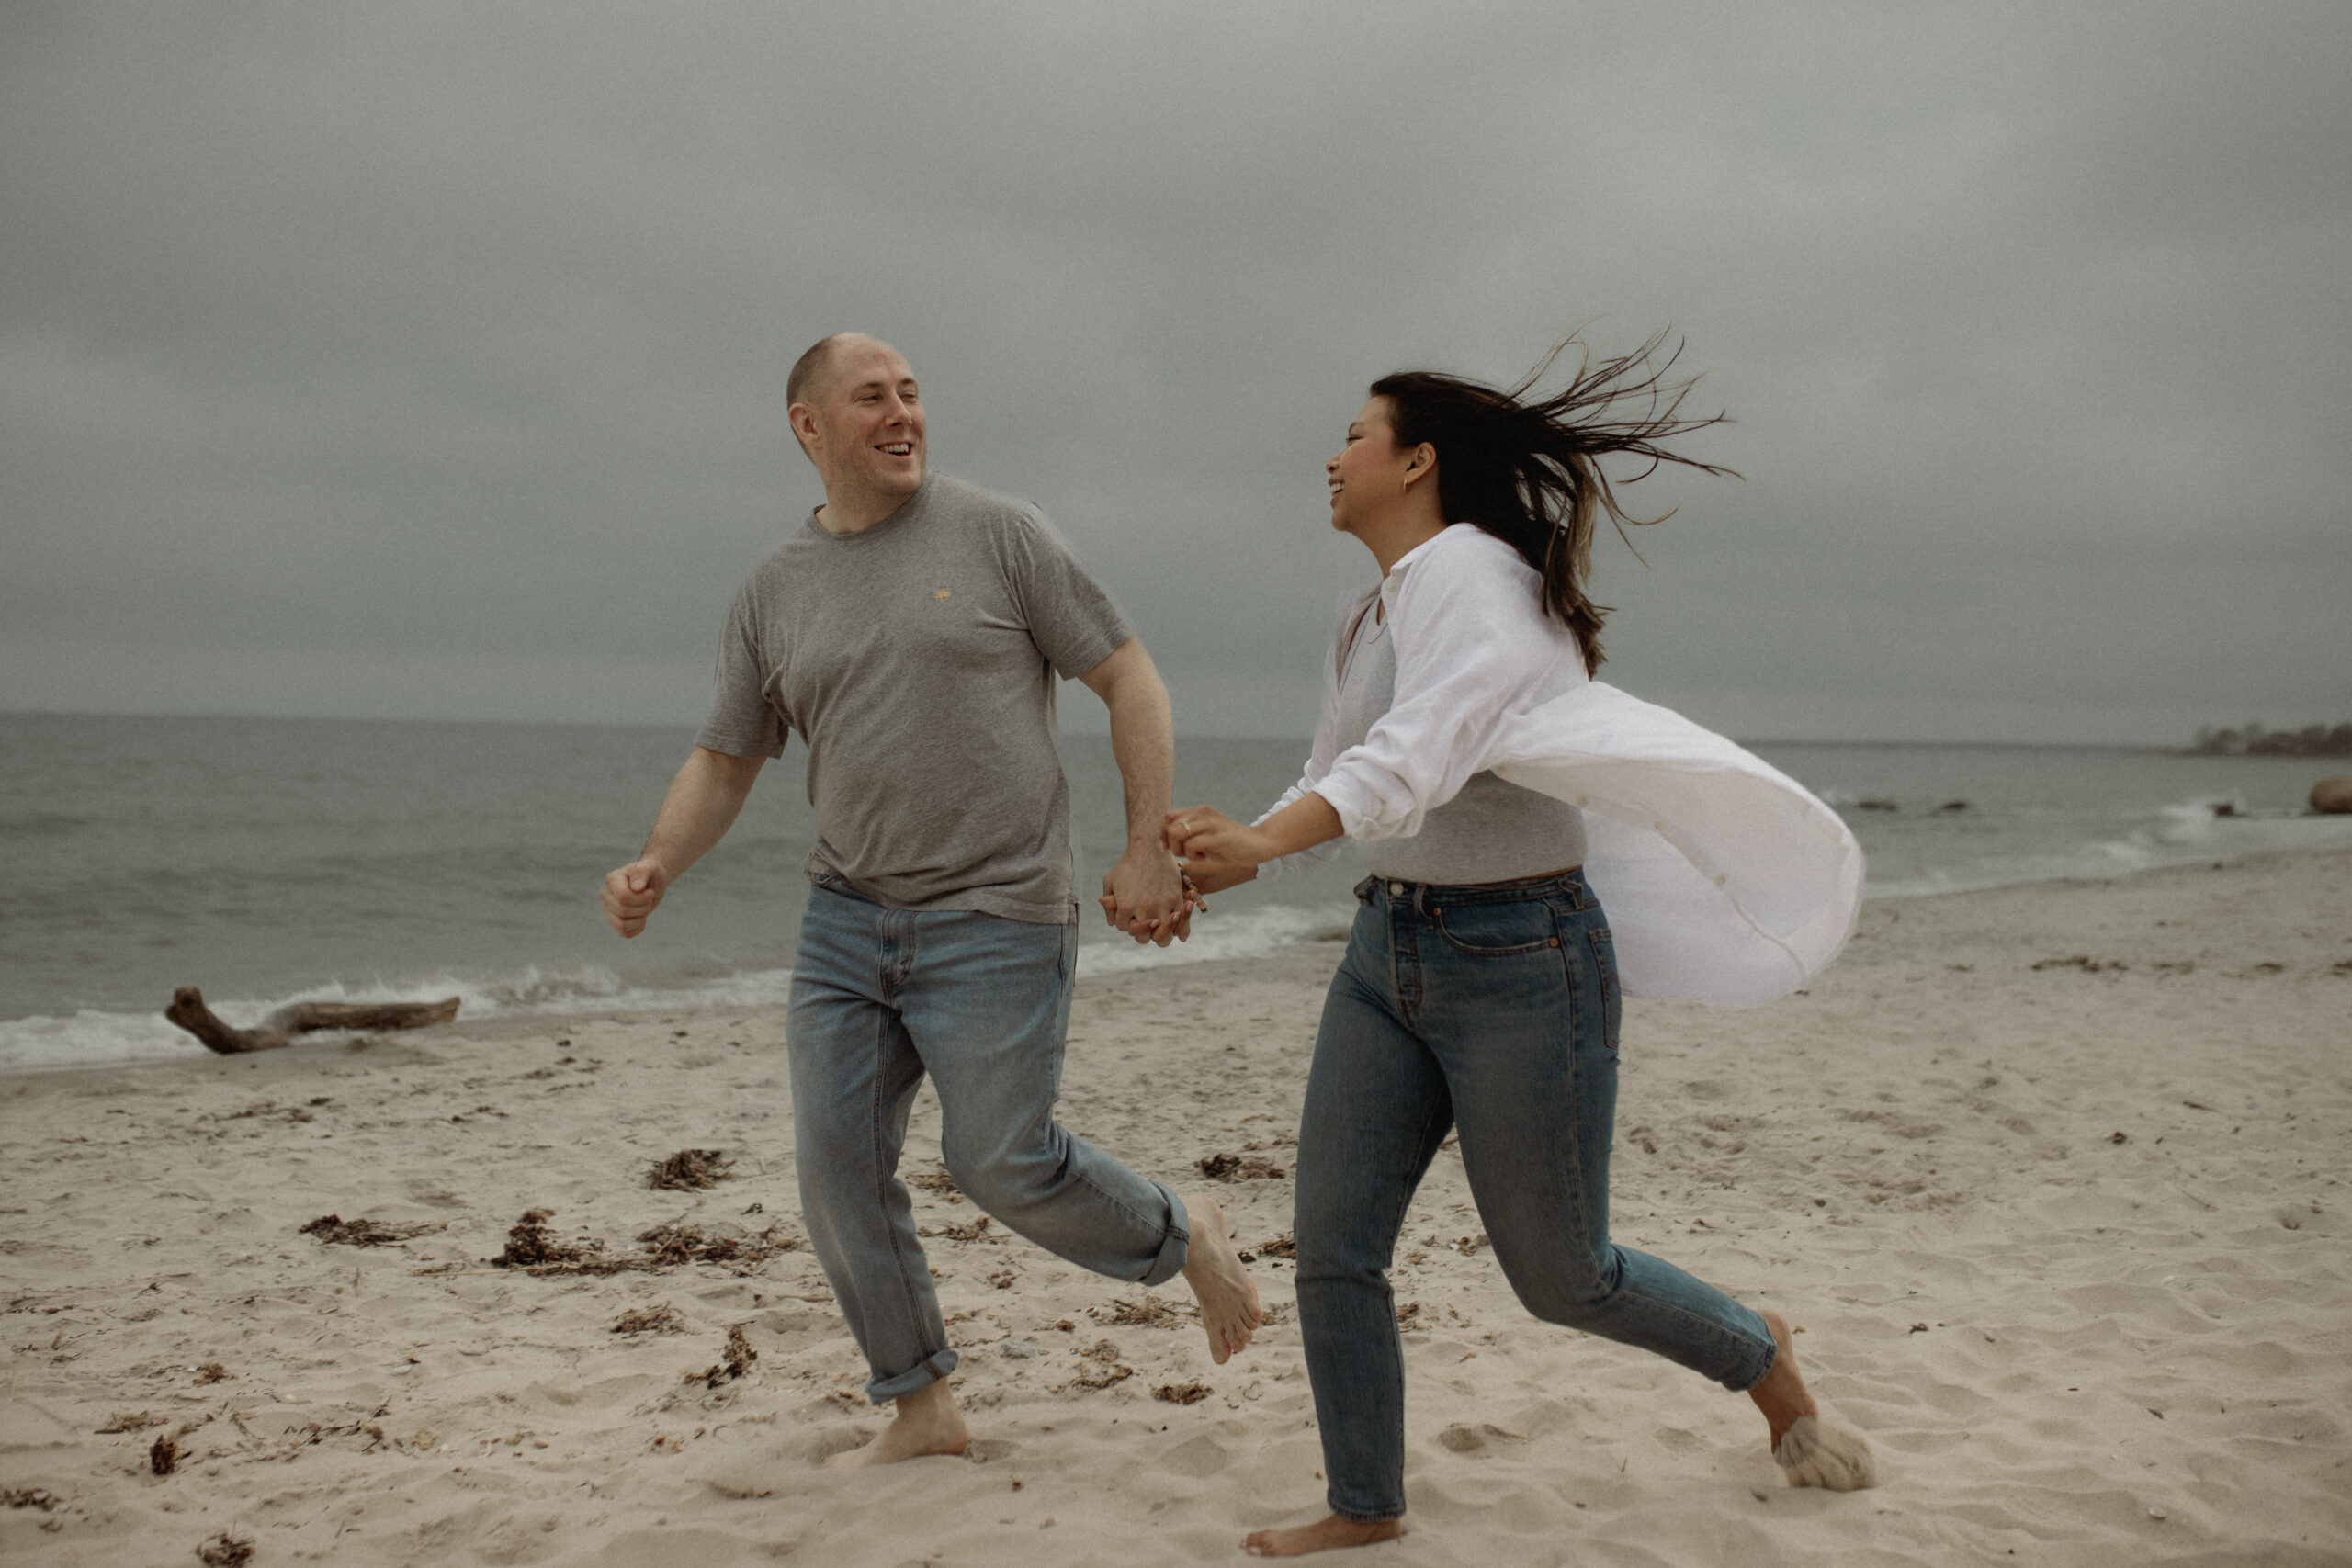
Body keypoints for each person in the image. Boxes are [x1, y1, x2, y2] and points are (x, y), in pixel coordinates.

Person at [1165, 335, 1875, 1556]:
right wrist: (1226, 846)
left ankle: (1760, 1352)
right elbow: (1343, 767)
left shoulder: (1476, 577)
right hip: (1389, 948)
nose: (1331, 456)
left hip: (1520, 958)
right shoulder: (1369, 608)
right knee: (1335, 1244)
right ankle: (1366, 1502)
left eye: (1354, 434)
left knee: (1563, 1273)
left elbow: (1415, 756)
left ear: (1419, 459)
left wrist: (1266, 843)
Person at [602, 332, 1259, 1468]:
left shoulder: (1002, 533)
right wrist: (660, 860)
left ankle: (1181, 1229)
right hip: (846, 921)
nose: (901, 413)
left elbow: (1129, 678)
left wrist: (1147, 846)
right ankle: (923, 1404)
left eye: (911, 393)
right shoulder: (772, 590)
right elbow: (725, 758)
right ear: (809, 427)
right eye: (871, 399)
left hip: (998, 913)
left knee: (1001, 1162)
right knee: (836, 1170)